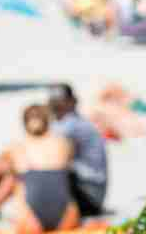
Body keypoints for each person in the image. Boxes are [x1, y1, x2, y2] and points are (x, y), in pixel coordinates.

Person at [0, 105, 79, 232]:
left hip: (32, 218)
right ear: (48, 121)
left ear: (24, 123)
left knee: (14, 180)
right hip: (66, 217)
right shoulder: (64, 143)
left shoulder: (16, 147)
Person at [47, 85, 108, 217]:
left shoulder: (73, 125)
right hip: (88, 191)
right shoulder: (62, 124)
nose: (55, 103)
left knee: (44, 171)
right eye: (52, 99)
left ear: (72, 101)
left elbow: (58, 159)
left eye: (59, 99)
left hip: (90, 195)